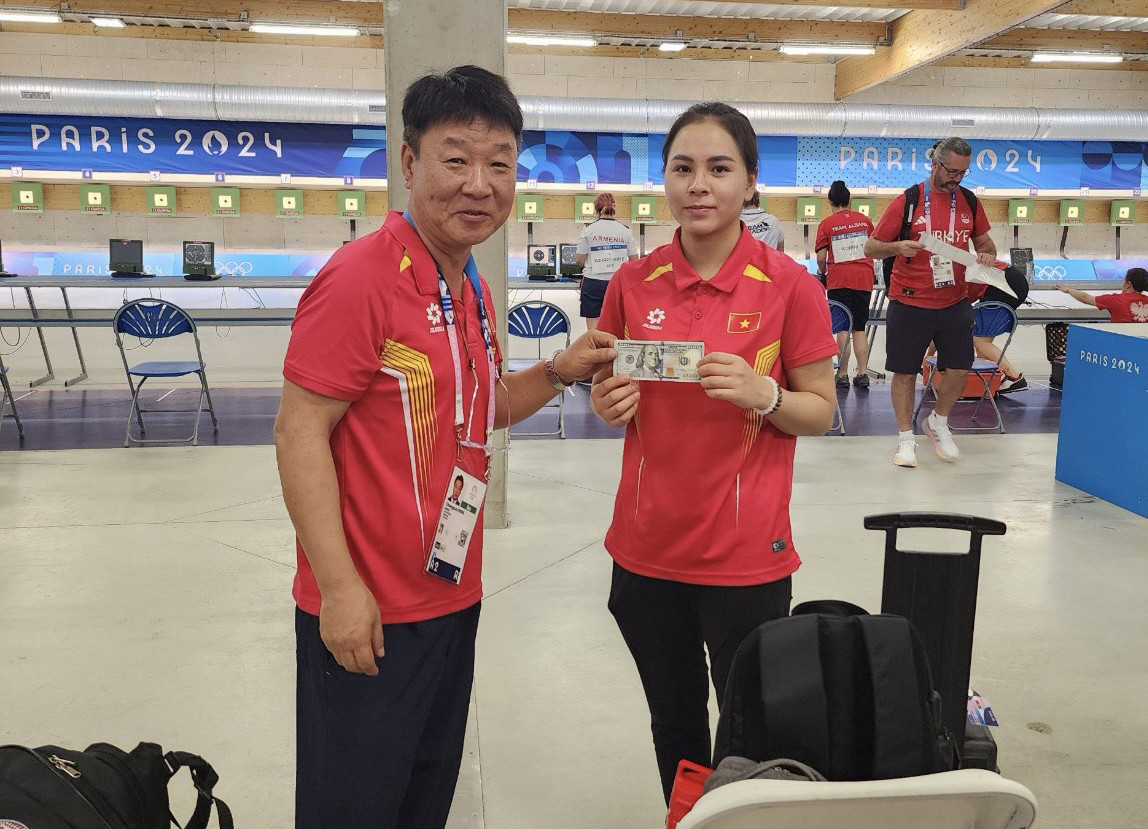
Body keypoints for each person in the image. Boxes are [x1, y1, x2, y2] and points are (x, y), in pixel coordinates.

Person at [274, 65, 616, 829]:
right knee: (352, 811)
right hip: (370, 609)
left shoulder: (466, 284)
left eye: (500, 163)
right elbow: (299, 432)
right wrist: (339, 588)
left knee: (421, 801)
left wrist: (560, 370)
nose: (479, 184)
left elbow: (481, 409)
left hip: (450, 594)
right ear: (409, 162)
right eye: (456, 159)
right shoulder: (361, 278)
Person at [590, 102, 837, 804]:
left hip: (745, 558)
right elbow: (609, 385)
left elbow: (821, 411)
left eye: (719, 168)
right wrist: (605, 403)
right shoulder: (631, 284)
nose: (699, 184)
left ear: (750, 183)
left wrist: (766, 393)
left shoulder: (790, 287)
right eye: (683, 168)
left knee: (748, 731)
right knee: (673, 724)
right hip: (646, 554)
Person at [864, 137, 998, 468]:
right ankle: (905, 438)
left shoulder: (969, 202)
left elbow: (986, 244)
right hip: (910, 301)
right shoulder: (908, 201)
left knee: (960, 367)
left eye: (963, 173)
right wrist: (897, 247)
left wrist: (986, 255)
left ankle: (938, 421)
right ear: (935, 164)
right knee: (905, 372)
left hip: (954, 300)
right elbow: (871, 247)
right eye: (951, 171)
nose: (956, 178)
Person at [815, 180, 875, 388]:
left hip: (839, 279)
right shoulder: (865, 221)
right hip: (864, 278)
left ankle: (842, 375)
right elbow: (874, 247)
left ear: (830, 202)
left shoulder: (827, 224)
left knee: (842, 328)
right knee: (859, 328)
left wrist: (822, 273)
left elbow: (821, 258)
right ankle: (863, 373)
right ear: (849, 200)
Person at [576, 192, 639, 329]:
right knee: (617, 325)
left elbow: (579, 260)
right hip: (617, 283)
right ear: (614, 207)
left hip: (593, 284)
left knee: (593, 329)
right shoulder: (626, 230)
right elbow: (634, 260)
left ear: (596, 208)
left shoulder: (588, 228)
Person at [965, 266, 1031, 393]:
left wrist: (929, 356)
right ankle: (986, 380)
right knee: (981, 339)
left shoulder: (954, 280)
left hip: (1004, 281)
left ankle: (1013, 376)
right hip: (1015, 281)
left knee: (980, 342)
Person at [1058, 267, 1148, 323]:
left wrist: (1068, 290)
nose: (1122, 284)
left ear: (1128, 284)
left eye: (1123, 281)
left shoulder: (1116, 300)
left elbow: (1085, 297)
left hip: (1121, 344)